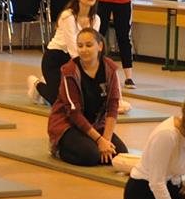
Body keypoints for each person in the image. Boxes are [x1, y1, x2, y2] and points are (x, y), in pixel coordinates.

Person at [48, 28, 126, 166]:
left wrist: (106, 139)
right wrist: (99, 140)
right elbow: (74, 114)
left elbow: (113, 106)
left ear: (100, 46)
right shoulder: (69, 72)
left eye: (89, 45)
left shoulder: (110, 69)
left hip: (96, 124)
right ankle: (58, 149)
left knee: (120, 154)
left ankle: (93, 143)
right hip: (69, 125)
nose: (84, 50)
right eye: (80, 46)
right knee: (91, 156)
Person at [28, 0, 100, 106]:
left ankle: (49, 84)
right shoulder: (68, 16)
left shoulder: (96, 19)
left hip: (76, 59)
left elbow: (92, 44)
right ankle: (37, 84)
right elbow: (72, 47)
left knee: (80, 97)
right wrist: (85, 69)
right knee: (60, 101)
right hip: (56, 58)